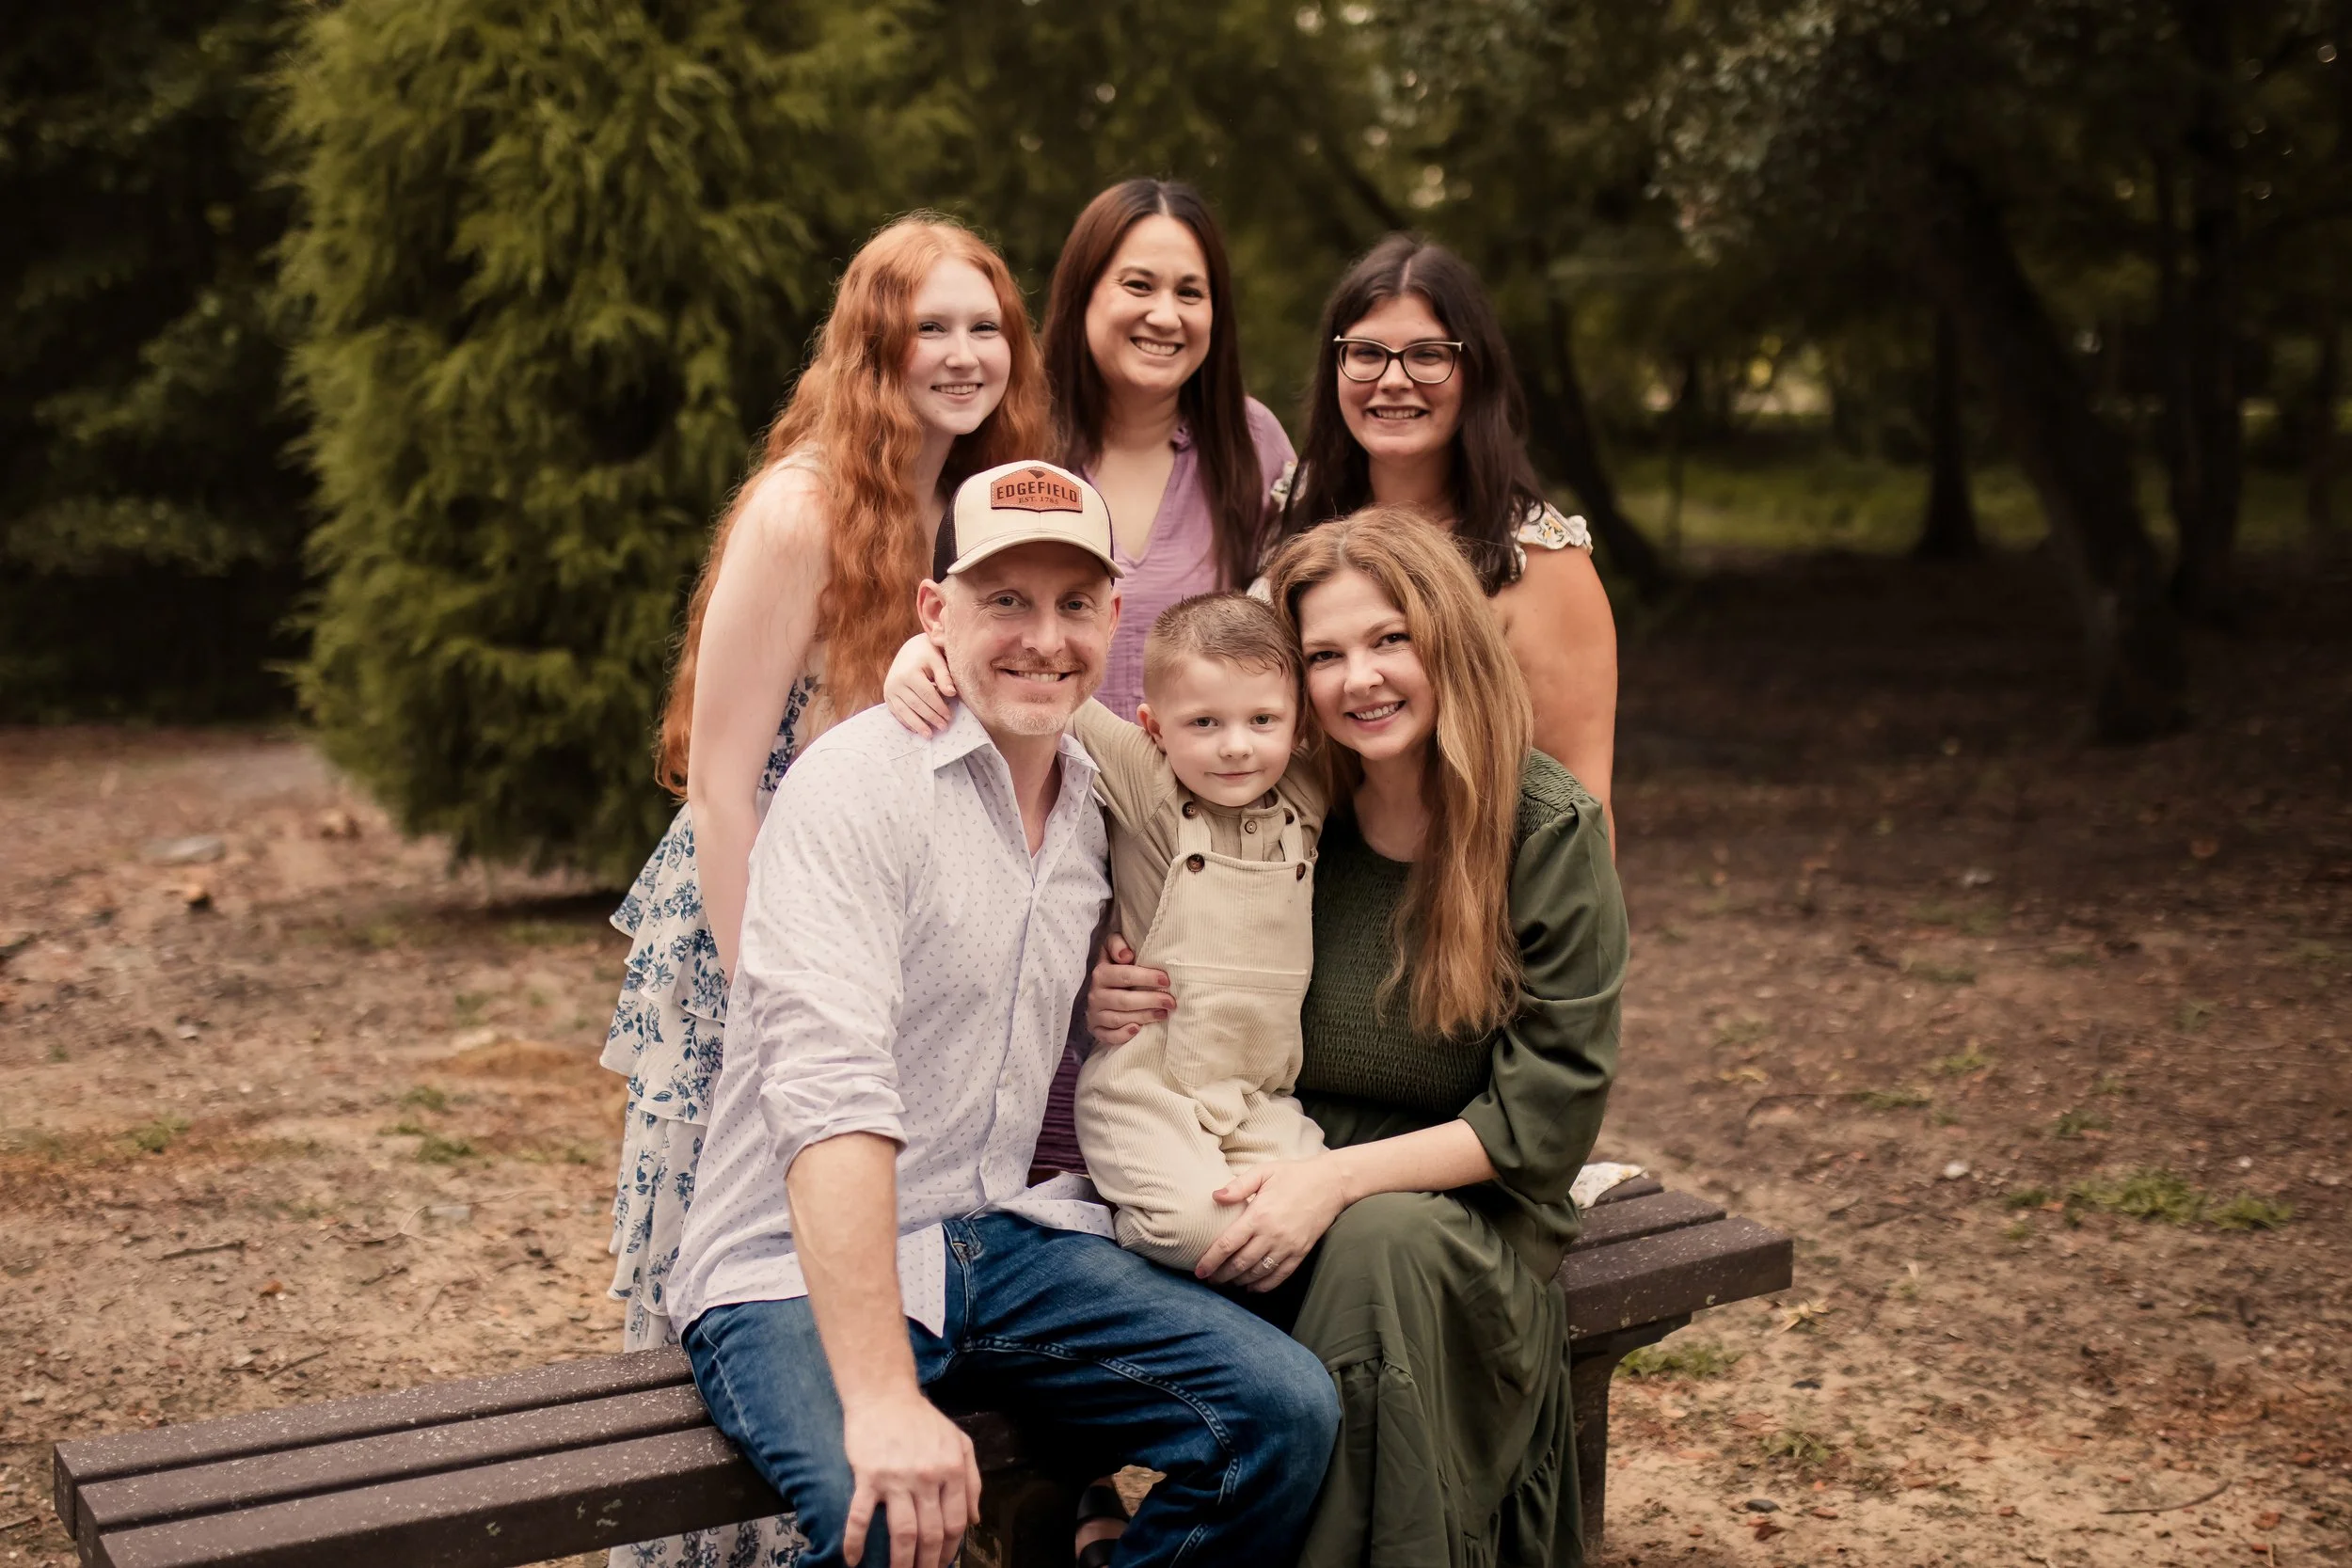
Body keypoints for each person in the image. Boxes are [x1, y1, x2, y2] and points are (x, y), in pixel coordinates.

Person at [669, 461, 1340, 1568]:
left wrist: (1097, 998)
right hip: (792, 1262)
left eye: (1074, 602)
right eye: (1004, 601)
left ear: (1113, 617)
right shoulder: (858, 786)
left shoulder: (1097, 789)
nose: (1044, 636)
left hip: (996, 1236)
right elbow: (829, 1095)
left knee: (1282, 1414)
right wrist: (883, 1397)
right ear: (936, 612)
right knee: (887, 1513)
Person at [599, 214, 1048, 1568]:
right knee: (745, 1252)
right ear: (875, 343)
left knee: (863, 1240)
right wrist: (766, 1008)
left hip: (888, 923)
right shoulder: (803, 507)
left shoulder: (974, 501)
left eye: (987, 327)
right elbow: (722, 784)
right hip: (759, 924)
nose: (964, 354)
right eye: (935, 327)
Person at [1090, 507, 1629, 1566]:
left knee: (1378, 1246)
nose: (1359, 679)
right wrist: (1122, 986)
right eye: (1324, 655)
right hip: (1271, 1152)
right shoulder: (1289, 802)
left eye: (1390, 639)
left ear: (1449, 639)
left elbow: (1546, 1113)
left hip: (1466, 1203)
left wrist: (1335, 1183)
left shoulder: (1541, 826)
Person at [883, 591, 1328, 1269]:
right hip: (1151, 1086)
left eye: (1262, 719)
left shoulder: (1307, 792)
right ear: (1152, 725)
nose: (1236, 746)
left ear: (1298, 724)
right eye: (1204, 721)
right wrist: (927, 650)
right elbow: (1046, 690)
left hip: (1259, 1095)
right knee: (1206, 1234)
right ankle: (1113, 1268)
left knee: (1320, 1221)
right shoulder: (1147, 779)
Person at [1264, 233, 1620, 830]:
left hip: (1469, 897)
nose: (1394, 379)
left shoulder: (1540, 560)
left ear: (1473, 373)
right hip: (1291, 890)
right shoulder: (1288, 515)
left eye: (1428, 354)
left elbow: (1582, 808)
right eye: (1366, 352)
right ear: (1335, 368)